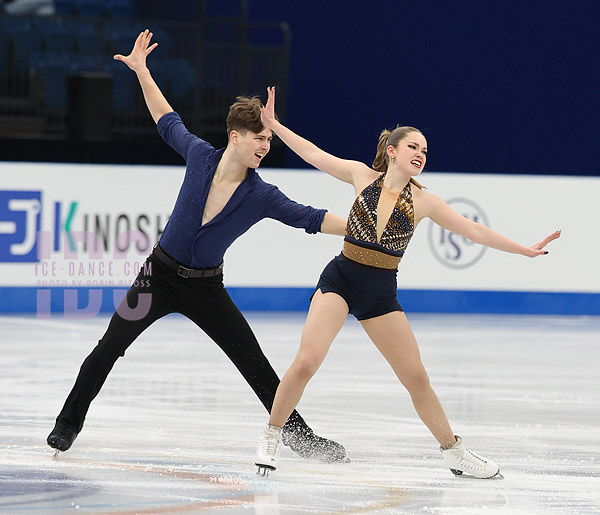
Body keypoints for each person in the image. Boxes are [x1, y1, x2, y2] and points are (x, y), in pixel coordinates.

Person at [47, 30, 349, 464]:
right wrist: (141, 71)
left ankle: (302, 438)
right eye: (259, 138)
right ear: (235, 136)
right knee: (109, 346)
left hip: (206, 289)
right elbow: (166, 118)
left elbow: (311, 217)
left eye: (269, 140)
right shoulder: (200, 156)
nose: (266, 146)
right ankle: (67, 424)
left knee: (254, 362)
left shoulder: (262, 195)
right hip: (157, 277)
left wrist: (362, 229)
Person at [254, 86, 561, 478]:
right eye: (414, 146)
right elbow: (313, 153)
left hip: (380, 292)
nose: (421, 154)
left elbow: (473, 231)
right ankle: (272, 434)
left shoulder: (425, 202)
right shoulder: (360, 176)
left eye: (426, 151)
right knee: (307, 361)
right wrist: (274, 125)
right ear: (393, 151)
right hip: (342, 280)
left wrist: (524, 250)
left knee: (416, 377)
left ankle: (454, 452)